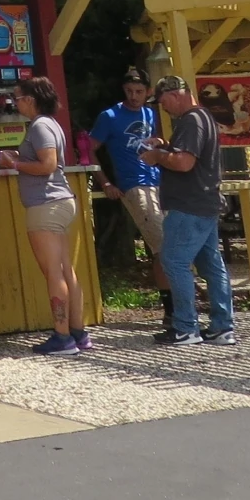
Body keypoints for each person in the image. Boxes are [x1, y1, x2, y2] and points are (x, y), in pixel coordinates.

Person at [0, 76, 88, 355]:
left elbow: (48, 164)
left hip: (45, 204)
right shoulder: (50, 124)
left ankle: (62, 337)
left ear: (30, 100)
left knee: (53, 272)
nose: (15, 103)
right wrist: (19, 157)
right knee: (65, 270)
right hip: (59, 202)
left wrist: (15, 164)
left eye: (17, 98)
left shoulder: (39, 126)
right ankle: (78, 332)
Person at [141, 76, 237, 347]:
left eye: (163, 101)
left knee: (173, 261)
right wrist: (164, 147)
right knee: (211, 265)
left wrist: (157, 156)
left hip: (189, 205)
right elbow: (187, 156)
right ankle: (222, 327)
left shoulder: (191, 120)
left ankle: (185, 328)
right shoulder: (204, 117)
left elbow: (184, 163)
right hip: (205, 202)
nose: (163, 107)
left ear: (175, 95)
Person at [90, 67, 172, 326]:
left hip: (159, 181)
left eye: (138, 91)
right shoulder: (110, 115)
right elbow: (88, 149)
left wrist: (160, 143)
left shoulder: (150, 113)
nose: (134, 96)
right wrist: (105, 182)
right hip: (134, 185)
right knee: (164, 248)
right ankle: (173, 309)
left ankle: (175, 307)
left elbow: (157, 143)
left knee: (170, 246)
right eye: (129, 91)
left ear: (148, 92)